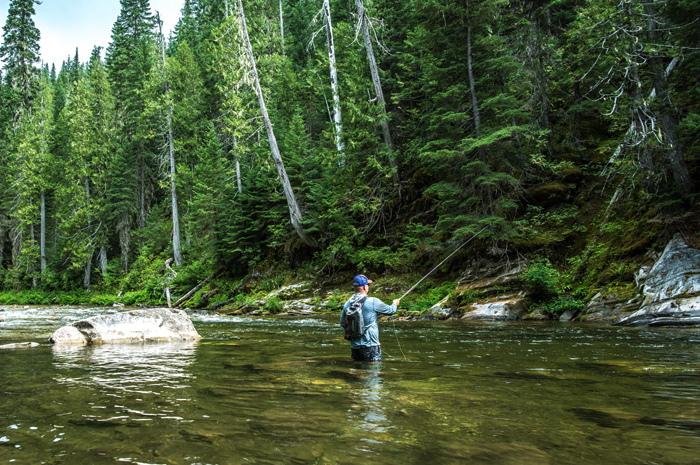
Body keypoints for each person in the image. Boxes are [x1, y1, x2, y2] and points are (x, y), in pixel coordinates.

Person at [340, 274, 400, 362]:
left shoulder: (347, 303)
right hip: (371, 346)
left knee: (358, 372)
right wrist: (395, 304)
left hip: (355, 347)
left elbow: (342, 323)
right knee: (373, 373)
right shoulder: (373, 301)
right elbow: (390, 311)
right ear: (365, 287)